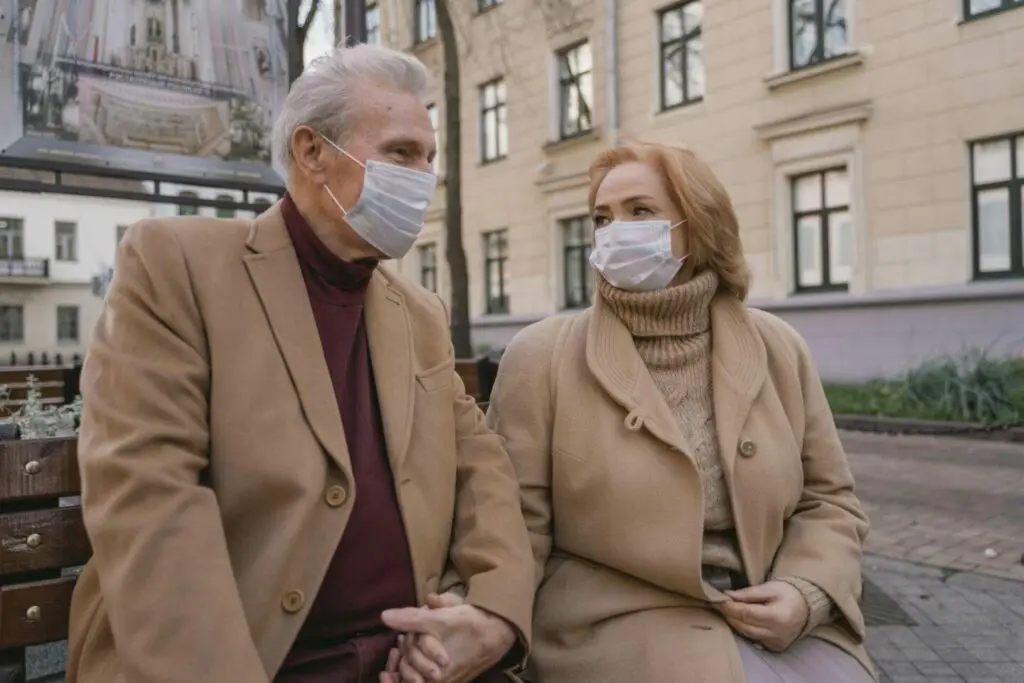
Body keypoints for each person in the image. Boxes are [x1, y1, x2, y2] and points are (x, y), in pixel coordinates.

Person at [65, 44, 534, 683]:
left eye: (429, 159)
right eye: (400, 153)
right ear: (313, 153)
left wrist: (495, 616)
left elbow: (481, 468)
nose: (424, 176)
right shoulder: (178, 263)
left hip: (409, 661)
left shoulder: (418, 313)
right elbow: (149, 498)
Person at [395, 142, 876, 682]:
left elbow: (829, 501)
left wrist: (806, 591)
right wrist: (482, 613)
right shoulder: (542, 355)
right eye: (603, 217)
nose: (615, 230)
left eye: (640, 212)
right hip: (610, 634)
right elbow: (511, 521)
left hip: (772, 627)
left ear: (697, 227)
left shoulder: (778, 348)